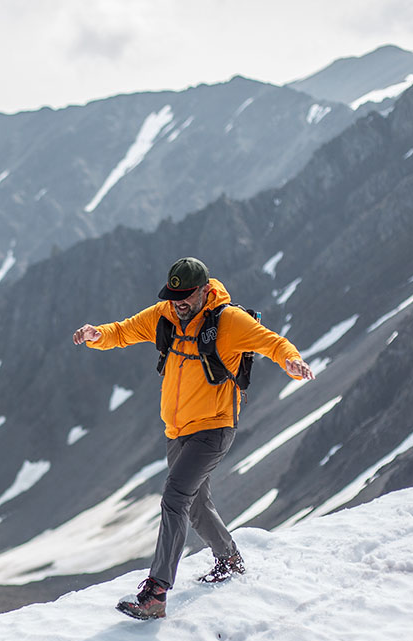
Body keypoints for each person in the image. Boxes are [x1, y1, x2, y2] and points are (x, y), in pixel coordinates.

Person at [73, 256, 314, 619]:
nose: (178, 302)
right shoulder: (165, 315)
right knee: (197, 505)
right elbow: (123, 331)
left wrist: (291, 362)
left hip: (214, 429)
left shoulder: (229, 321)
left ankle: (156, 593)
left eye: (185, 295)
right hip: (178, 431)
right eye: (173, 295)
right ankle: (229, 559)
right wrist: (97, 335)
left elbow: (273, 343)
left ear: (204, 290)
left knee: (174, 497)